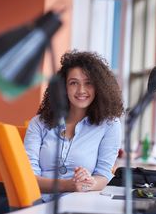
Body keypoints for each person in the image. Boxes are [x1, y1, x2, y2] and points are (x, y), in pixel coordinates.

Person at [24, 50, 124, 202]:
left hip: (81, 203)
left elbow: (103, 175)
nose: (81, 90)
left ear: (99, 87)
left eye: (88, 83)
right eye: (73, 83)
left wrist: (89, 183)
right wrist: (68, 185)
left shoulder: (110, 125)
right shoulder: (39, 123)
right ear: (64, 87)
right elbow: (28, 178)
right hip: (38, 204)